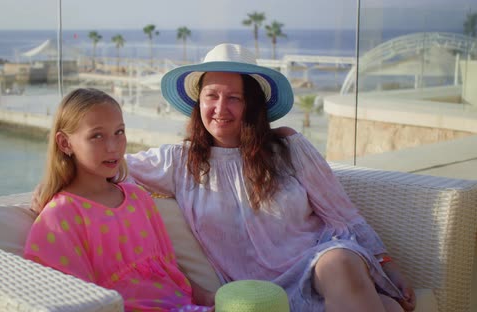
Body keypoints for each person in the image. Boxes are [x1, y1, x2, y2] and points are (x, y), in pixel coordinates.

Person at [124, 44, 416, 312]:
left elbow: (341, 212)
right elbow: (109, 166)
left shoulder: (287, 147)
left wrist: (386, 264)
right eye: (211, 95)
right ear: (198, 102)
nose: (220, 108)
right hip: (254, 292)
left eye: (234, 98)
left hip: (316, 266)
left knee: (339, 261)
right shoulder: (178, 161)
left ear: (252, 105)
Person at [24, 88, 212, 312]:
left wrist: (208, 296)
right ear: (65, 143)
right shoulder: (59, 217)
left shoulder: (138, 198)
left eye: (119, 132)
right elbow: (72, 301)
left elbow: (169, 269)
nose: (113, 147)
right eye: (97, 135)